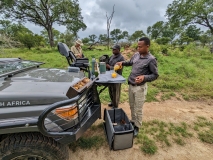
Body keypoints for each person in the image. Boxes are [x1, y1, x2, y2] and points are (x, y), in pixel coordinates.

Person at [116, 37, 159, 136]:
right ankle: (133, 121)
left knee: (138, 108)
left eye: (140, 47)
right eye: (137, 46)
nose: (138, 48)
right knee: (132, 106)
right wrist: (122, 63)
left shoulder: (151, 59)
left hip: (140, 88)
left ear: (147, 46)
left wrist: (144, 77)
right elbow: (130, 62)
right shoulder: (136, 55)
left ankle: (137, 126)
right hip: (131, 85)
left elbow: (155, 75)